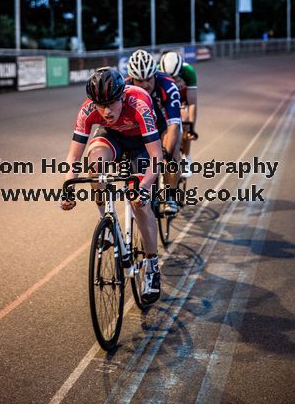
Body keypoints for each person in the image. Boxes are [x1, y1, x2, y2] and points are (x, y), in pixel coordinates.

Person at [59, 66, 163, 305]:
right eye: (100, 104)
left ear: (122, 96)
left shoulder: (139, 104)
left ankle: (152, 267)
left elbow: (156, 156)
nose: (105, 111)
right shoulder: (87, 110)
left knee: (139, 202)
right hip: (112, 137)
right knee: (94, 167)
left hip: (141, 142)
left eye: (111, 104)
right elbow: (73, 158)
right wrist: (67, 186)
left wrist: (145, 185)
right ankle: (107, 222)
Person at [126, 49, 182, 214]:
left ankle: (170, 194)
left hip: (163, 124)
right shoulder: (125, 87)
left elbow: (173, 125)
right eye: (139, 80)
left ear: (155, 74)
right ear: (132, 78)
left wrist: (167, 154)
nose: (144, 85)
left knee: (173, 153)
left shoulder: (168, 85)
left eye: (148, 79)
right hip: (141, 127)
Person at [159, 51, 198, 175]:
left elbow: (192, 103)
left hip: (181, 101)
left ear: (180, 72)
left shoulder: (189, 71)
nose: (171, 81)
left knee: (186, 119)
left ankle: (186, 157)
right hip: (164, 101)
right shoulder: (156, 70)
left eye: (174, 77)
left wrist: (191, 127)